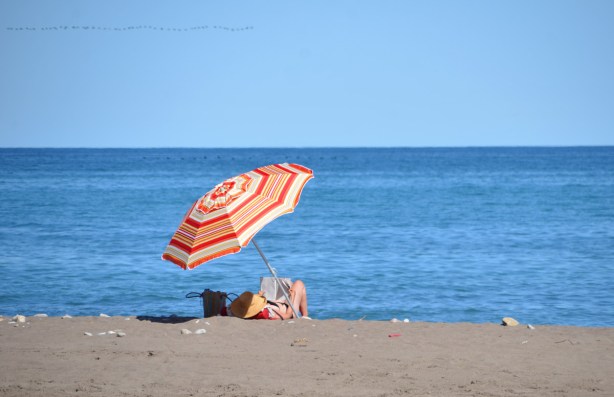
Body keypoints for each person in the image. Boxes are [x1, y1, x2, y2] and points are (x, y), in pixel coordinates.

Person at [229, 279, 310, 320]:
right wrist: (292, 298)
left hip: (278, 304)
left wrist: (259, 295)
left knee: (291, 285)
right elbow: (287, 316)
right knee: (299, 283)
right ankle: (305, 317)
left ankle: (305, 316)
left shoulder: (240, 311)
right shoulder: (267, 312)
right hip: (290, 311)